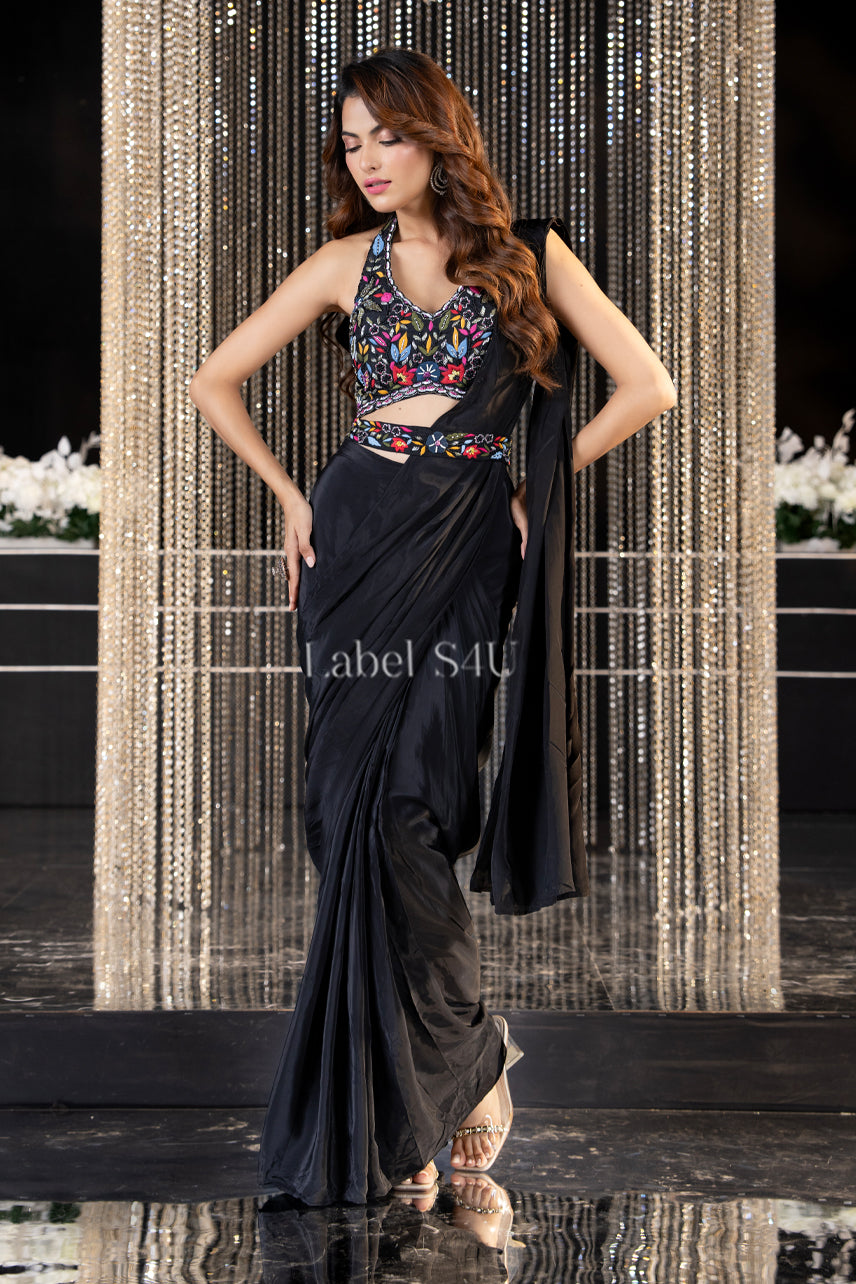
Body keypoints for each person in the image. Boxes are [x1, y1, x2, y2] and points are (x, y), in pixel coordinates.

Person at [189, 47, 676, 1207]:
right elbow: (213, 380)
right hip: (353, 542)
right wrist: (293, 497)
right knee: (342, 820)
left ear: (436, 139)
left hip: (463, 547)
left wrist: (531, 491)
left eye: (388, 136)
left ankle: (460, 1062)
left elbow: (646, 385)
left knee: (416, 811)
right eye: (351, 141)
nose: (366, 160)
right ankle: (432, 1084)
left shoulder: (526, 257)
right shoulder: (341, 265)